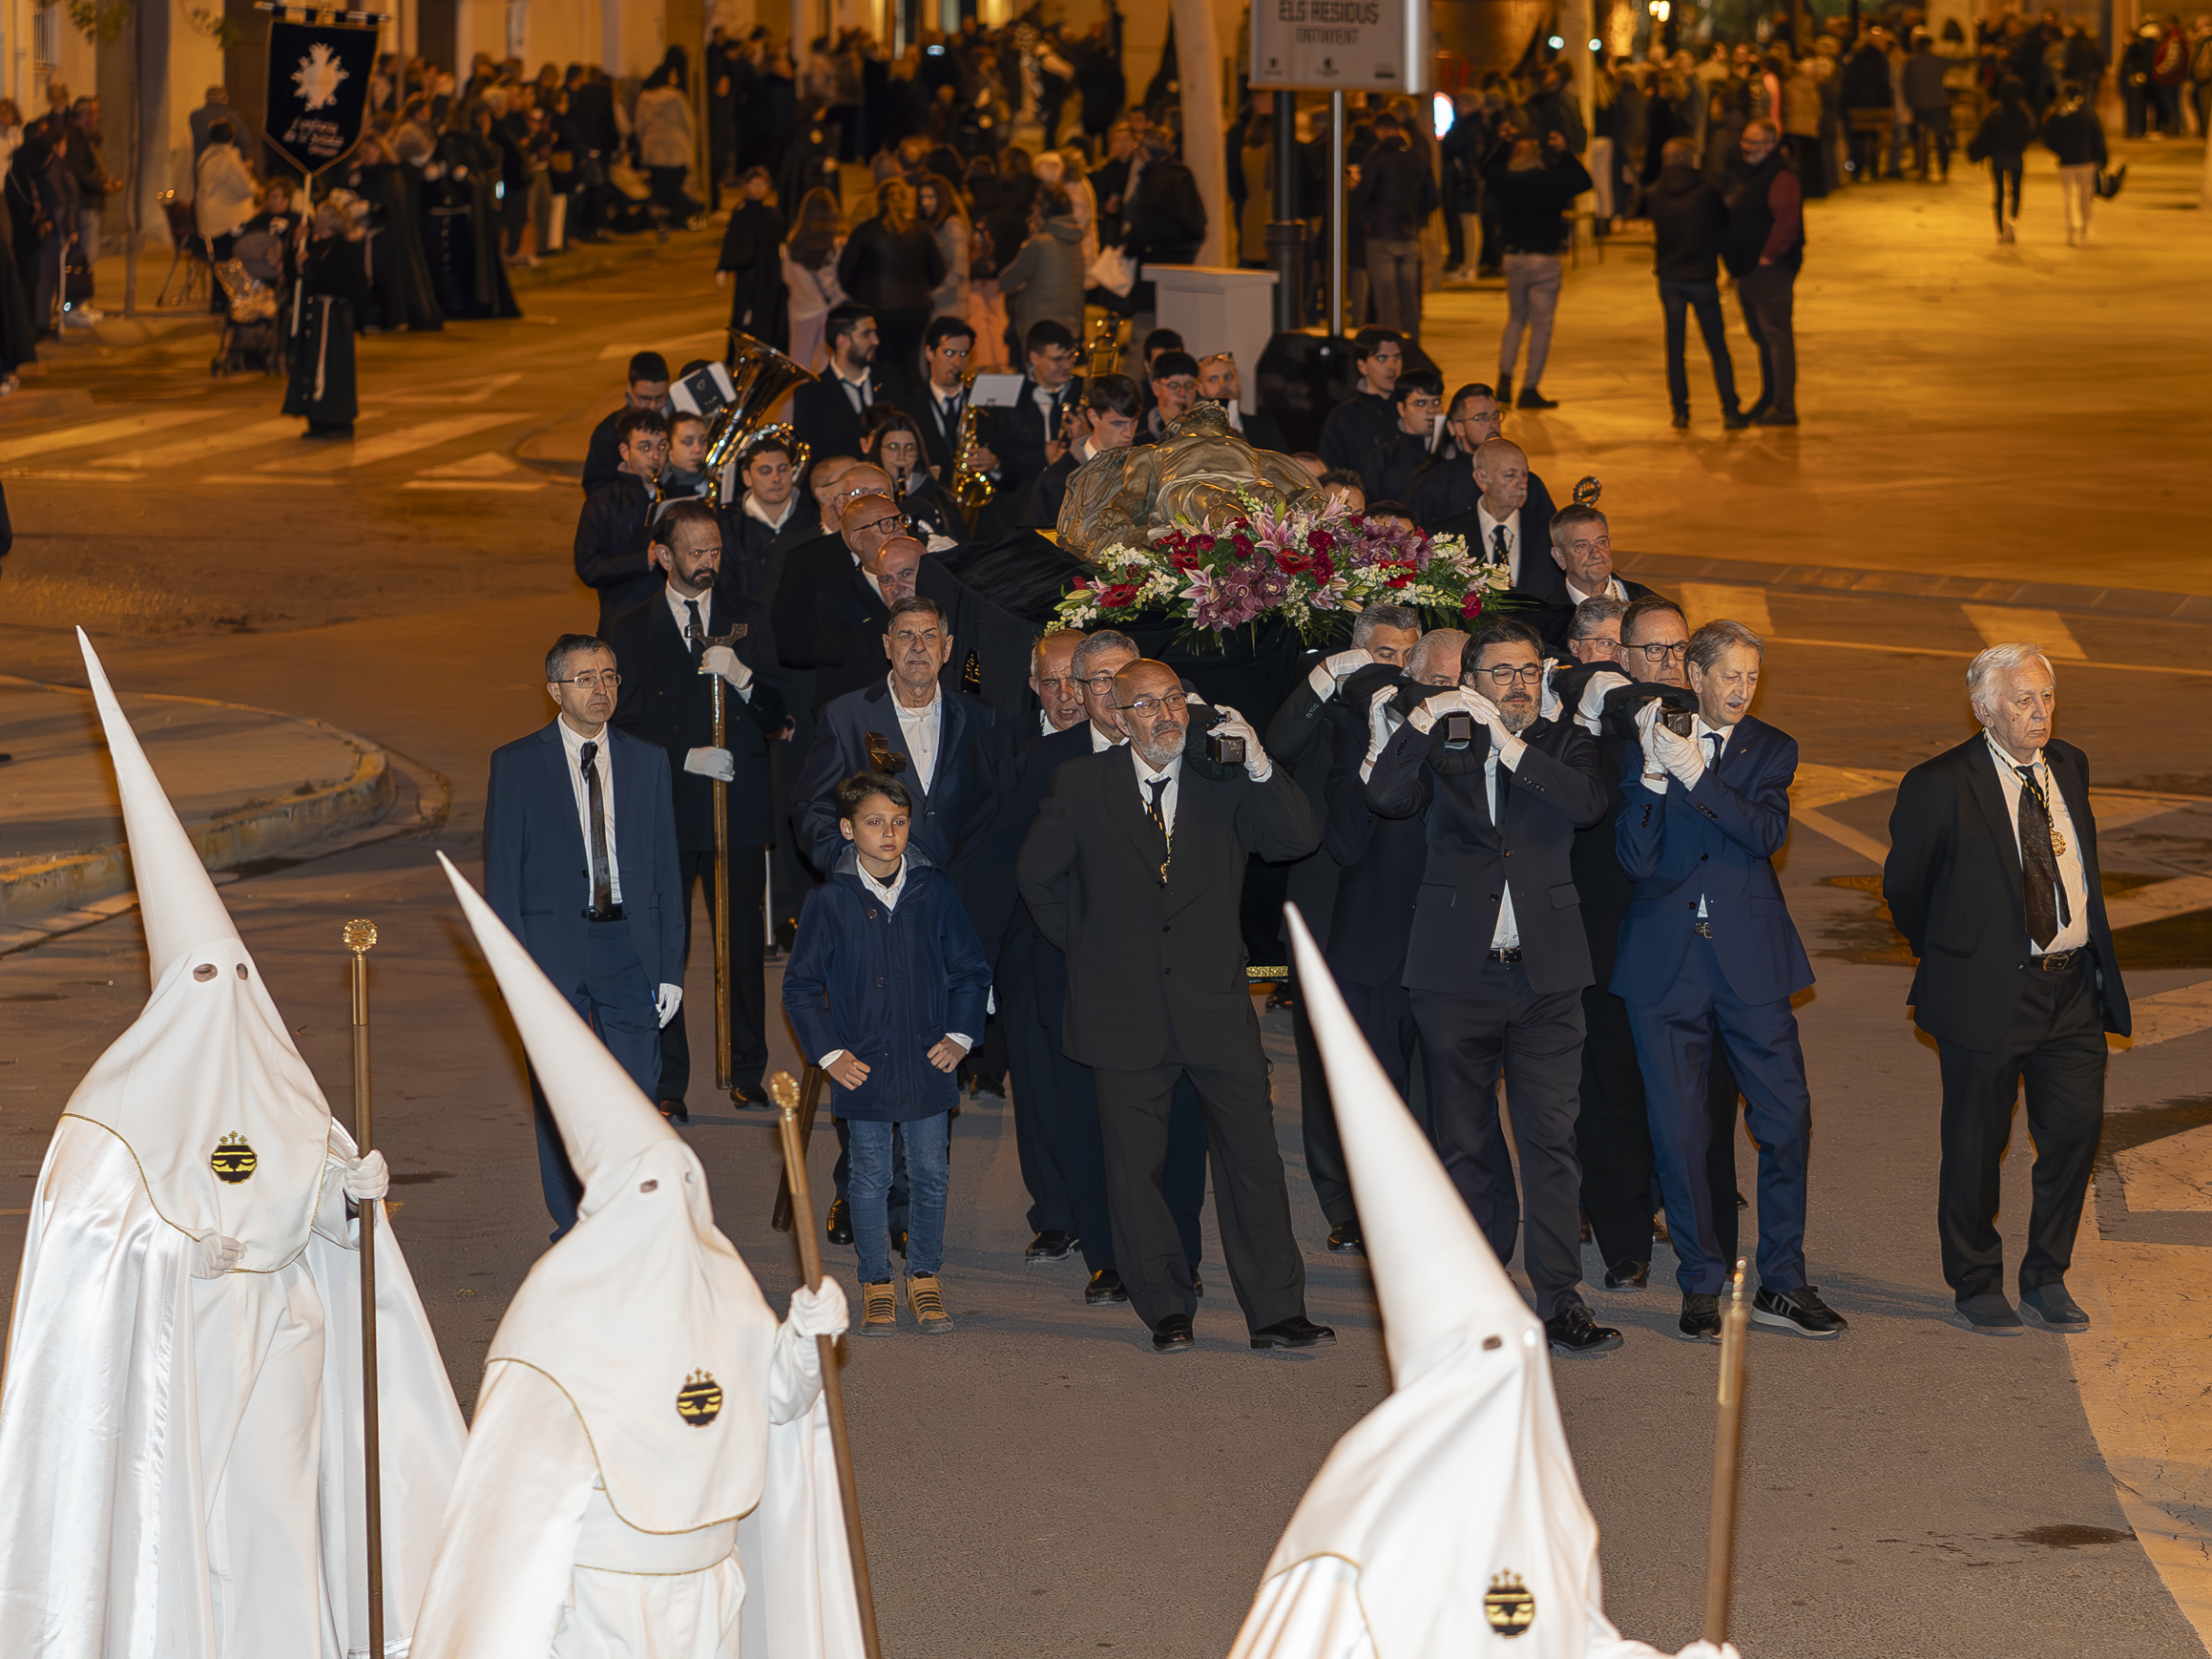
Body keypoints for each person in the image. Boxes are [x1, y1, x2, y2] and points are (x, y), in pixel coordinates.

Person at [0, 635, 465, 1659]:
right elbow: (86, 1248)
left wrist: (350, 1197)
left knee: (275, 1524)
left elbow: (318, 1212)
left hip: (286, 1353)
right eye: (205, 983)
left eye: (237, 978)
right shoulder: (110, 1113)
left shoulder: (285, 1087)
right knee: (192, 1535)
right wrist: (176, 1253)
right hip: (185, 1359)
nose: (228, 1000)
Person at [1224, 914, 1724, 1659]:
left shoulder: (1553, 1508)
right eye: (1491, 1350)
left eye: (1521, 1346)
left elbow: (1577, 1637)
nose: (1515, 1374)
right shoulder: (1351, 1536)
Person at [418, 860, 861, 1659]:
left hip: (712, 1585)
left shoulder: (720, 1282)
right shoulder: (557, 1310)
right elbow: (512, 1506)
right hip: (608, 1602)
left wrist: (803, 1342)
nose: (670, 1207)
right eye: (648, 1189)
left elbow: (770, 1403)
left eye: (681, 1183)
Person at [1016, 658, 1331, 1354]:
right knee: (1136, 1171)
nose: (1166, 716)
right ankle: (1164, 1307)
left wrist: (1261, 765)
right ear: (1118, 716)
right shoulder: (1082, 784)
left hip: (1215, 1004)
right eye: (1148, 705)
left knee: (1254, 1160)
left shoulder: (1224, 775)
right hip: (1121, 1010)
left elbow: (1296, 840)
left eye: (1174, 701)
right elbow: (1037, 878)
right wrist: (1093, 950)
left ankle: (1277, 1312)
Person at [1365, 620, 1617, 1355]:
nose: (1518, 684)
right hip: (1456, 977)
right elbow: (1385, 797)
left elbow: (1587, 804)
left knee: (1551, 1141)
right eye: (1501, 672)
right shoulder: (1444, 743)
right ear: (1470, 681)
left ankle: (1560, 1299)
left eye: (1529, 671)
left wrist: (1508, 745)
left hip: (1547, 978)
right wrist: (1421, 721)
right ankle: (1478, 1297)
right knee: (1463, 1141)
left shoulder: (1567, 742)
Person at [1883, 643, 2129, 1335]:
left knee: (2074, 1134)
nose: (2040, 712)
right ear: (1984, 709)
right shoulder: (1938, 783)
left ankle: (2046, 1276)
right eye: (2023, 700)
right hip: (1985, 992)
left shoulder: (2069, 765)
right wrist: (1957, 955)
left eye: (2047, 697)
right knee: (1975, 1143)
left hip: (2072, 988)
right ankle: (1975, 1280)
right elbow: (1905, 889)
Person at [1613, 620, 1846, 1342]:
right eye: (1729, 676)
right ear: (1695, 675)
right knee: (1679, 1130)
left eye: (1752, 677)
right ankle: (1699, 1281)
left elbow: (1765, 834)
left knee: (1787, 1118)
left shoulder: (1772, 748)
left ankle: (1784, 1279)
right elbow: (1634, 858)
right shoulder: (1646, 740)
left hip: (1751, 960)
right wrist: (1655, 774)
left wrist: (1694, 775)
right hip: (1665, 963)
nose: (1742, 690)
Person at [484, 633, 686, 1237]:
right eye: (585, 679)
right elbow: (503, 876)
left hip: (629, 946)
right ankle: (575, 1226)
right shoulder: (517, 764)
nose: (601, 689)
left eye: (609, 677)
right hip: (551, 951)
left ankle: (630, 1220)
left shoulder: (647, 761)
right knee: (561, 1092)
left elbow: (668, 872)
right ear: (555, 690)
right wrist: (513, 971)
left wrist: (671, 967)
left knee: (635, 1093)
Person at [783, 771, 992, 1334]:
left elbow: (971, 969)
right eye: (874, 822)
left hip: (927, 1060)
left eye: (899, 821)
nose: (889, 833)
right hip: (863, 1066)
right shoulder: (829, 900)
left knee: (931, 1172)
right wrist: (830, 1054)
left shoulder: (934, 890)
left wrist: (959, 1036)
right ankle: (875, 1279)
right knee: (869, 1174)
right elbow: (800, 987)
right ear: (848, 829)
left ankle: (924, 1274)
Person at [603, 502, 785, 1116]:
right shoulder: (630, 629)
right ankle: (666, 1082)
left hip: (739, 806)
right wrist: (684, 756)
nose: (709, 562)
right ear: (663, 556)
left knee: (741, 944)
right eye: (695, 552)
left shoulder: (749, 618)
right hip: (669, 809)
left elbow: (779, 712)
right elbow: (620, 724)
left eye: (715, 551)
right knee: (665, 947)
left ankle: (746, 1068)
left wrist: (744, 678)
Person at [1264, 606, 1427, 1254]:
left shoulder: (1428, 715)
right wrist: (1327, 675)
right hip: (1327, 911)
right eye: (1385, 653)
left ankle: (1411, 1192)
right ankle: (1343, 1200)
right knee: (1329, 1064)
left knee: (1412, 1063)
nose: (1399, 668)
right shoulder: (1328, 713)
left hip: (1402, 917)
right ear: (1357, 654)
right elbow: (1277, 747)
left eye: (1408, 655)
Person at [793, 594, 1004, 880]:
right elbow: (811, 807)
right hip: (878, 892)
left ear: (946, 648)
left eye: (930, 636)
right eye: (906, 636)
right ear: (887, 645)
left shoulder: (982, 718)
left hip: (965, 890)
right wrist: (850, 866)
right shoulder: (845, 716)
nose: (918, 646)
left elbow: (997, 808)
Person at [1483, 130, 1592, 410]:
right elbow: (1584, 181)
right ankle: (1529, 388)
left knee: (1516, 319)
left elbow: (1486, 168)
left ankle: (1504, 381)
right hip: (1544, 259)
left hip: (1513, 258)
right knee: (1541, 326)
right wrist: (1564, 152)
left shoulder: (1506, 182)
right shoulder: (1550, 181)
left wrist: (1503, 143)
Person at [1646, 137, 1746, 430]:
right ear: (1691, 159)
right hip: (1702, 276)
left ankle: (1680, 411)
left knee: (1675, 348)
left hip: (1670, 278)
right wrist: (1732, 268)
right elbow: (1724, 229)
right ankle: (1730, 410)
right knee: (1717, 347)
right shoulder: (1706, 193)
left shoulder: (1655, 193)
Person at [1722, 120, 1804, 427]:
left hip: (1770, 270)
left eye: (1753, 143)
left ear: (1770, 145)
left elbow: (1787, 222)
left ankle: (1784, 405)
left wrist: (1767, 256)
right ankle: (1769, 399)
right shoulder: (1752, 173)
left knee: (1775, 336)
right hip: (1748, 269)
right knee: (1762, 336)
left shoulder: (1781, 175)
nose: (1746, 148)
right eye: (1744, 141)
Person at [836, 179, 945, 385]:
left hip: (878, 307)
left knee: (884, 364)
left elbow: (846, 273)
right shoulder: (922, 230)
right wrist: (919, 288)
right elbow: (939, 272)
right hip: (916, 308)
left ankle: (888, 401)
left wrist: (862, 296)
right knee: (911, 363)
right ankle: (915, 401)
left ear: (878, 201)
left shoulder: (865, 231)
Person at [1408, 383, 1559, 528]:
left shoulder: (1527, 482)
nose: (1492, 424)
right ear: (1458, 428)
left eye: (1495, 415)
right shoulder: (1438, 483)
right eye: (1481, 418)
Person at [574, 407, 669, 632]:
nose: (656, 456)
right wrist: (644, 559)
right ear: (625, 451)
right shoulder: (603, 501)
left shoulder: (676, 495)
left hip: (670, 619)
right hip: (623, 620)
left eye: (662, 446)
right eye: (645, 447)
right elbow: (588, 566)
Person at [977, 316, 1082, 506]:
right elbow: (999, 452)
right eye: (1058, 359)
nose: (1067, 365)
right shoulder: (1008, 394)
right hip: (1022, 500)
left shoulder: (1083, 391)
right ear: (1034, 358)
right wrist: (1042, 453)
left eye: (1071, 356)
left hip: (1076, 496)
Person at [1351, 111, 1438, 337]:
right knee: (1409, 298)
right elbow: (1432, 197)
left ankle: (1391, 345)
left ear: (1380, 131)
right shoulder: (1416, 157)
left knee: (1386, 299)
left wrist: (1359, 200)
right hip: (1408, 235)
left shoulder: (1376, 158)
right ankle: (1412, 345)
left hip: (1380, 235)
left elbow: (1362, 195)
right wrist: (1416, 220)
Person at [1531, 504, 1660, 652]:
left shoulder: (1649, 606)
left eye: (1601, 542)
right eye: (1581, 546)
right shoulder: (1543, 623)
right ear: (1560, 557)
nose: (1596, 553)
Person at [1022, 370, 1141, 528]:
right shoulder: (1057, 481)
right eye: (1118, 424)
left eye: (1134, 422)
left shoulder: (1143, 470)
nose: (1128, 433)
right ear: (1093, 417)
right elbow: (1036, 538)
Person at [790, 304, 904, 467]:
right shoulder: (810, 394)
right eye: (867, 334)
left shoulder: (891, 380)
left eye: (875, 333)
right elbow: (810, 462)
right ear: (842, 340)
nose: (876, 341)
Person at [995, 184, 1085, 346]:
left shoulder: (1039, 243)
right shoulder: (1076, 244)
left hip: (1037, 328)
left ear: (1041, 211)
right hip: (1069, 326)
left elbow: (1007, 281)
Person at [582, 350, 673, 494]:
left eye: (660, 398)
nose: (652, 406)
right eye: (644, 399)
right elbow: (596, 487)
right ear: (629, 388)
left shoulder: (679, 423)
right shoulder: (609, 433)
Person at [716, 165, 788, 344]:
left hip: (770, 272)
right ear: (747, 185)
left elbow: (781, 238)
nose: (758, 188)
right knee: (745, 314)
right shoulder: (741, 211)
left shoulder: (771, 212)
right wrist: (723, 267)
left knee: (769, 313)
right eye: (754, 184)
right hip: (748, 273)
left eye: (762, 184)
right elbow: (732, 239)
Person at [1317, 326, 1402, 473]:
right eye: (1382, 358)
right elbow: (1330, 473)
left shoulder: (1410, 409)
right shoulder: (1344, 417)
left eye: (1397, 357)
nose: (1392, 366)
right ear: (1362, 366)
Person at [1353, 369, 1444, 503]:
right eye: (1421, 403)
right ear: (1401, 408)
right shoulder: (1384, 456)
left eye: (1436, 402)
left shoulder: (1451, 449)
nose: (1431, 410)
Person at [782, 186, 847, 370]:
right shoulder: (839, 244)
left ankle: (800, 390)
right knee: (828, 363)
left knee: (799, 360)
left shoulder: (791, 246)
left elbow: (786, 278)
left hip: (802, 310)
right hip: (832, 309)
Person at [1966, 78, 2036, 243]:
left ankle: (1999, 230)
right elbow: (2032, 130)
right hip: (2016, 157)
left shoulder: (1994, 112)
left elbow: (1983, 134)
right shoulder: (2023, 113)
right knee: (2016, 193)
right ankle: (2012, 221)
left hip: (1997, 158)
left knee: (1998, 193)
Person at [915, 314, 981, 480]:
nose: (957, 362)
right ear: (929, 352)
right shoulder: (911, 406)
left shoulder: (984, 403)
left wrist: (995, 463)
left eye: (963, 353)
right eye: (949, 353)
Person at [2042, 81, 2108, 247]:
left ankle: (2072, 230)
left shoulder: (2058, 113)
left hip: (2066, 163)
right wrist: (2102, 158)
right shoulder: (2088, 113)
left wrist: (2060, 152)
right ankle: (2086, 227)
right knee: (2085, 196)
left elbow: (2047, 137)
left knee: (2069, 196)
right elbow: (2098, 137)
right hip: (2086, 161)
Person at [633, 63, 700, 225]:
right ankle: (678, 219)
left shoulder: (644, 97)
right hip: (676, 149)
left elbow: (639, 125)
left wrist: (644, 144)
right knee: (675, 187)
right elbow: (688, 123)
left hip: (653, 150)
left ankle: (658, 220)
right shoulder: (676, 97)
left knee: (660, 187)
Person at [193, 118, 256, 262]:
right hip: (225, 226)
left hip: (207, 224)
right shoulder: (228, 158)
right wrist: (250, 176)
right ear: (232, 137)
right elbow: (245, 189)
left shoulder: (205, 156)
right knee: (259, 227)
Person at [1195, 352, 1286, 452]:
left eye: (1228, 377)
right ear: (1200, 388)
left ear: (1238, 381)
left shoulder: (1265, 428)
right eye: (1213, 379)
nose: (1223, 385)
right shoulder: (1195, 434)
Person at [1903, 34, 1953, 180]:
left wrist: (1909, 104)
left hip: (1919, 106)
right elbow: (1962, 61)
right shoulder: (1938, 60)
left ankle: (1924, 170)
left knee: (1921, 139)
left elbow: (1906, 85)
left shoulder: (1911, 62)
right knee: (1941, 138)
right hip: (1938, 105)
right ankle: (1944, 171)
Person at [1142, 346, 1200, 440]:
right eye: (1174, 386)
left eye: (1188, 385)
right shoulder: (1137, 436)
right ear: (1156, 388)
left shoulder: (1207, 436)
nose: (1182, 393)